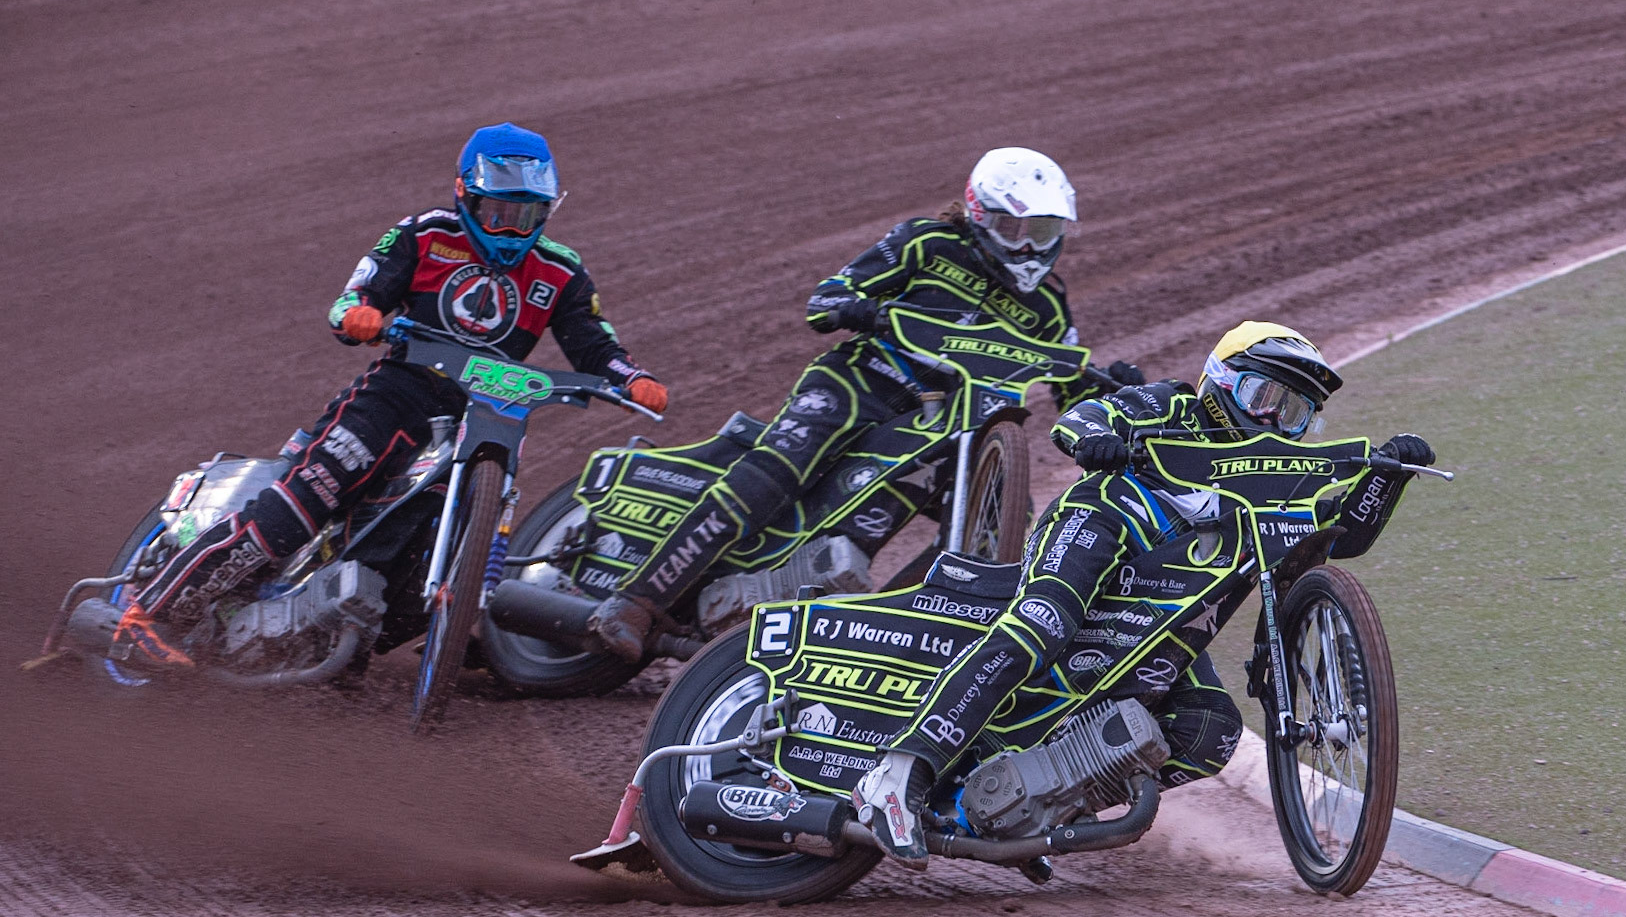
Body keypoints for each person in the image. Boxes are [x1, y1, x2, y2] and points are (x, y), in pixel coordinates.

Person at [851, 320, 1436, 868]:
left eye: (1294, 413)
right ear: (1221, 383)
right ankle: (901, 771)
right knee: (1043, 624)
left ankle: (1027, 806)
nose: (1274, 421)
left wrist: (1389, 476)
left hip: (1166, 619)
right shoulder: (1170, 404)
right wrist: (1099, 442)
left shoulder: (1278, 481)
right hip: (1103, 520)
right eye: (1265, 398)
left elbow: (1341, 534)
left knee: (1211, 728)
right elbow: (1079, 419)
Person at [114, 122, 668, 666]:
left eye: (525, 215)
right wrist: (362, 314)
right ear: (465, 195)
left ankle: (376, 638)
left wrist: (628, 377)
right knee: (305, 502)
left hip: (486, 415)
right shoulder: (424, 234)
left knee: (436, 543)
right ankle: (151, 613)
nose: (508, 230)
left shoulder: (561, 271)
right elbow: (355, 296)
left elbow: (594, 343)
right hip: (398, 394)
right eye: (498, 213)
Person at [588, 147, 1138, 662]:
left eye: (1041, 232)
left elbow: (1072, 386)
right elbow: (828, 297)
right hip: (859, 384)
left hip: (945, 426)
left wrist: (1118, 395)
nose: (1025, 247)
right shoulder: (926, 243)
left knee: (1002, 529)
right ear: (977, 214)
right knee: (773, 473)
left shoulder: (1047, 303)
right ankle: (636, 601)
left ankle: (881, 647)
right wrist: (858, 309)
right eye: (1011, 228)